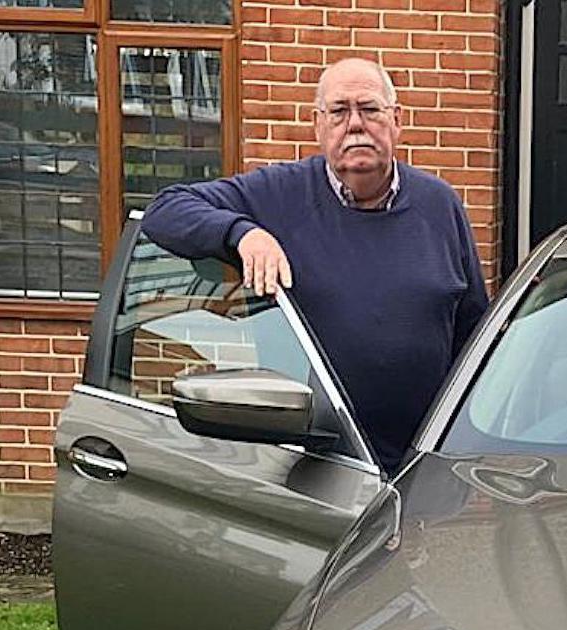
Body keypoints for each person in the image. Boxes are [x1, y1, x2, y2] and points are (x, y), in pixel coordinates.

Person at [141, 58, 489, 473]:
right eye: (339, 111)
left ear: (397, 120)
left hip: (425, 469)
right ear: (318, 125)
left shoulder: (440, 205)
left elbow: (474, 341)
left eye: (370, 109)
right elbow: (164, 211)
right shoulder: (277, 196)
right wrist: (243, 233)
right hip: (312, 473)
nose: (355, 124)